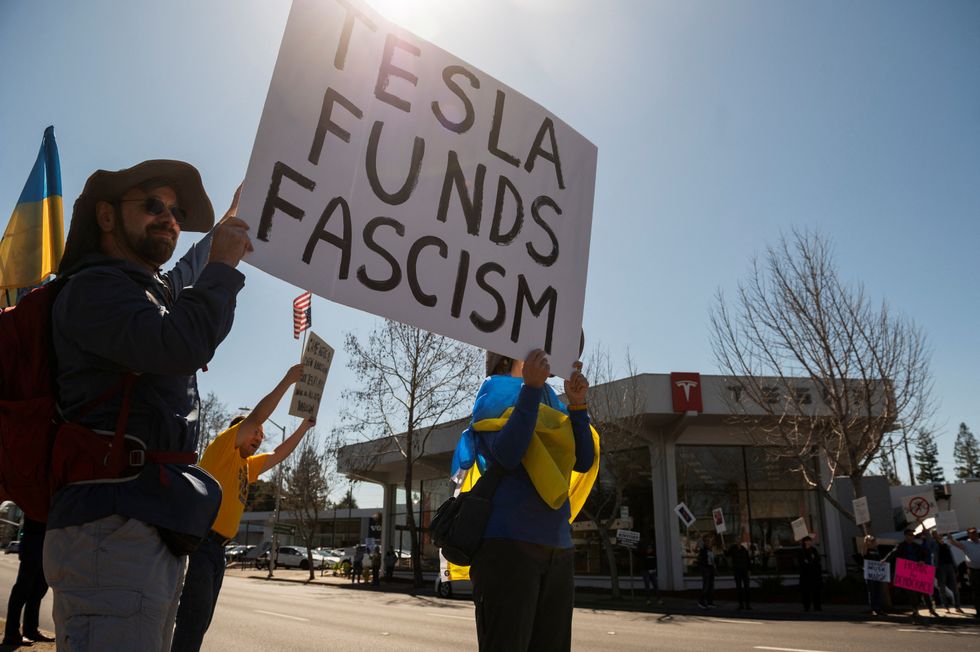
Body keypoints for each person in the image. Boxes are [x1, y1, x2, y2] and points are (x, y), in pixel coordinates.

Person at [42, 160, 251, 650]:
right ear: (108, 217)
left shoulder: (140, 292)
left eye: (177, 212)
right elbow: (180, 345)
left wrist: (227, 226)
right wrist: (222, 267)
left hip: (138, 525)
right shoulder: (95, 290)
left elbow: (184, 276)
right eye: (154, 205)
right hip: (111, 530)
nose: (170, 218)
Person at [454, 349, 598, 652]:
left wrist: (577, 405)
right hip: (507, 547)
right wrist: (530, 390)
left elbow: (583, 461)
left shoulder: (554, 402)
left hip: (557, 548)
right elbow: (508, 454)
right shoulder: (493, 393)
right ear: (509, 355)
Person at [171, 364, 316, 652]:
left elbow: (278, 454)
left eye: (261, 435)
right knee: (191, 621)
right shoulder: (224, 447)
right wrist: (288, 380)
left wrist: (305, 426)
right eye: (255, 432)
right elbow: (259, 415)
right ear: (238, 432)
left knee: (199, 623)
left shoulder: (246, 467)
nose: (259, 437)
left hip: (217, 552)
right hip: (200, 545)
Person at [3, 519, 54, 645]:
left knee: (39, 589)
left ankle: (31, 630)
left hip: (47, 538)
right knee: (23, 588)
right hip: (34, 538)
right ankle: (12, 633)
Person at [894, 528, 934, 623]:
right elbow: (893, 554)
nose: (911, 537)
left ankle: (931, 609)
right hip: (907, 571)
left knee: (924, 591)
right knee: (911, 593)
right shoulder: (901, 546)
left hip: (918, 569)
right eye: (909, 535)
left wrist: (922, 561)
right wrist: (884, 560)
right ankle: (915, 609)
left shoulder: (917, 546)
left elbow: (925, 554)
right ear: (906, 536)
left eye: (912, 535)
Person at [947, 525, 980, 619]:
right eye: (972, 533)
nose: (974, 534)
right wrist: (950, 538)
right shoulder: (965, 544)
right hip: (974, 572)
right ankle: (979, 611)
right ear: (969, 535)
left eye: (975, 532)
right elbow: (954, 543)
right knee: (977, 592)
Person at [932, 530, 963, 613]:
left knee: (955, 587)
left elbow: (951, 555)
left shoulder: (945, 543)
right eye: (936, 534)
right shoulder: (934, 544)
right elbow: (928, 539)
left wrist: (955, 566)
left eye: (939, 533)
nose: (939, 534)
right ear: (934, 536)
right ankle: (946, 606)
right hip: (940, 567)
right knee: (942, 588)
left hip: (950, 566)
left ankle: (957, 606)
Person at [859, 535, 885, 616]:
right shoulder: (866, 550)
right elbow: (863, 554)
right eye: (872, 541)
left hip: (877, 574)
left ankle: (879, 608)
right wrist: (866, 542)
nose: (873, 542)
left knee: (878, 591)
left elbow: (880, 560)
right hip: (870, 575)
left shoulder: (877, 550)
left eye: (874, 540)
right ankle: (874, 608)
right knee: (872, 591)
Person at [798, 536, 822, 612]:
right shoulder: (802, 551)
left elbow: (818, 559)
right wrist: (805, 561)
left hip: (814, 574)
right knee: (806, 592)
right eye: (808, 541)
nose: (810, 542)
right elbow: (800, 561)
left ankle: (817, 606)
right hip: (805, 575)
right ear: (805, 542)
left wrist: (814, 558)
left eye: (810, 541)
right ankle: (806, 606)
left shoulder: (814, 550)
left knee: (816, 591)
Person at [727, 541, 752, 610]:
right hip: (737, 570)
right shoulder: (733, 548)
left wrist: (749, 569)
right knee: (739, 588)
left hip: (745, 570)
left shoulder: (744, 549)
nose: (738, 541)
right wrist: (724, 549)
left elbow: (748, 559)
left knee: (747, 588)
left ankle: (748, 604)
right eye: (736, 539)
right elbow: (727, 554)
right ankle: (741, 605)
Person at [697, 533, 717, 609]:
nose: (709, 542)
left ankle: (709, 602)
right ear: (705, 542)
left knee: (711, 586)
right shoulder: (703, 549)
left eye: (710, 541)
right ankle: (701, 601)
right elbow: (699, 543)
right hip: (705, 569)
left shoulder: (710, 550)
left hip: (711, 568)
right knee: (706, 585)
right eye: (707, 541)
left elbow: (712, 561)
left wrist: (715, 568)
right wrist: (702, 537)